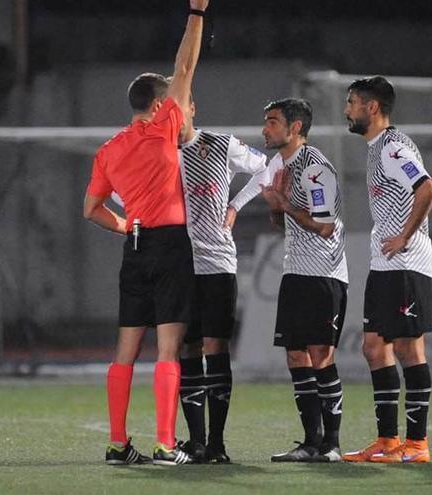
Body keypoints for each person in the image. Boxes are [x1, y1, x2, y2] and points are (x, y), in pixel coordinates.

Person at [82, 0, 208, 466]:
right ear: (159, 105)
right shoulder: (162, 129)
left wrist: (125, 226)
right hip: (170, 246)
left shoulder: (109, 150)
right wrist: (196, 12)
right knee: (169, 347)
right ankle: (164, 443)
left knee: (125, 350)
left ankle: (117, 444)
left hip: (135, 246)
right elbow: (186, 63)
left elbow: (91, 209)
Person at [230, 98, 348, 462]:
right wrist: (274, 207)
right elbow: (282, 224)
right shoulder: (282, 164)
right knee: (296, 356)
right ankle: (310, 442)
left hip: (323, 274)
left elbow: (325, 228)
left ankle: (331, 444)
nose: (265, 129)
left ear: (295, 128)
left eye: (272, 122)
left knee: (320, 355)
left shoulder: (316, 168)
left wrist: (282, 201)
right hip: (295, 271)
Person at [341, 76, 432, 464]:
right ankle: (386, 440)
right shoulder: (377, 147)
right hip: (384, 264)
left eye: (352, 102)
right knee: (373, 347)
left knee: (407, 347)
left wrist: (404, 235)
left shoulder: (393, 147)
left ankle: (417, 444)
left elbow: (428, 189)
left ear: (372, 107)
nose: (347, 109)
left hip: (406, 263)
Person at [172, 90, 268, 463]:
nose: (175, 116)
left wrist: (235, 205)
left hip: (217, 264)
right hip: (179, 266)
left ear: (192, 107)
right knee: (187, 347)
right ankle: (196, 443)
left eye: (180, 107)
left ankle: (217, 443)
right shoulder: (160, 153)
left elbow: (266, 169)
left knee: (216, 347)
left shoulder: (220, 144)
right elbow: (122, 190)